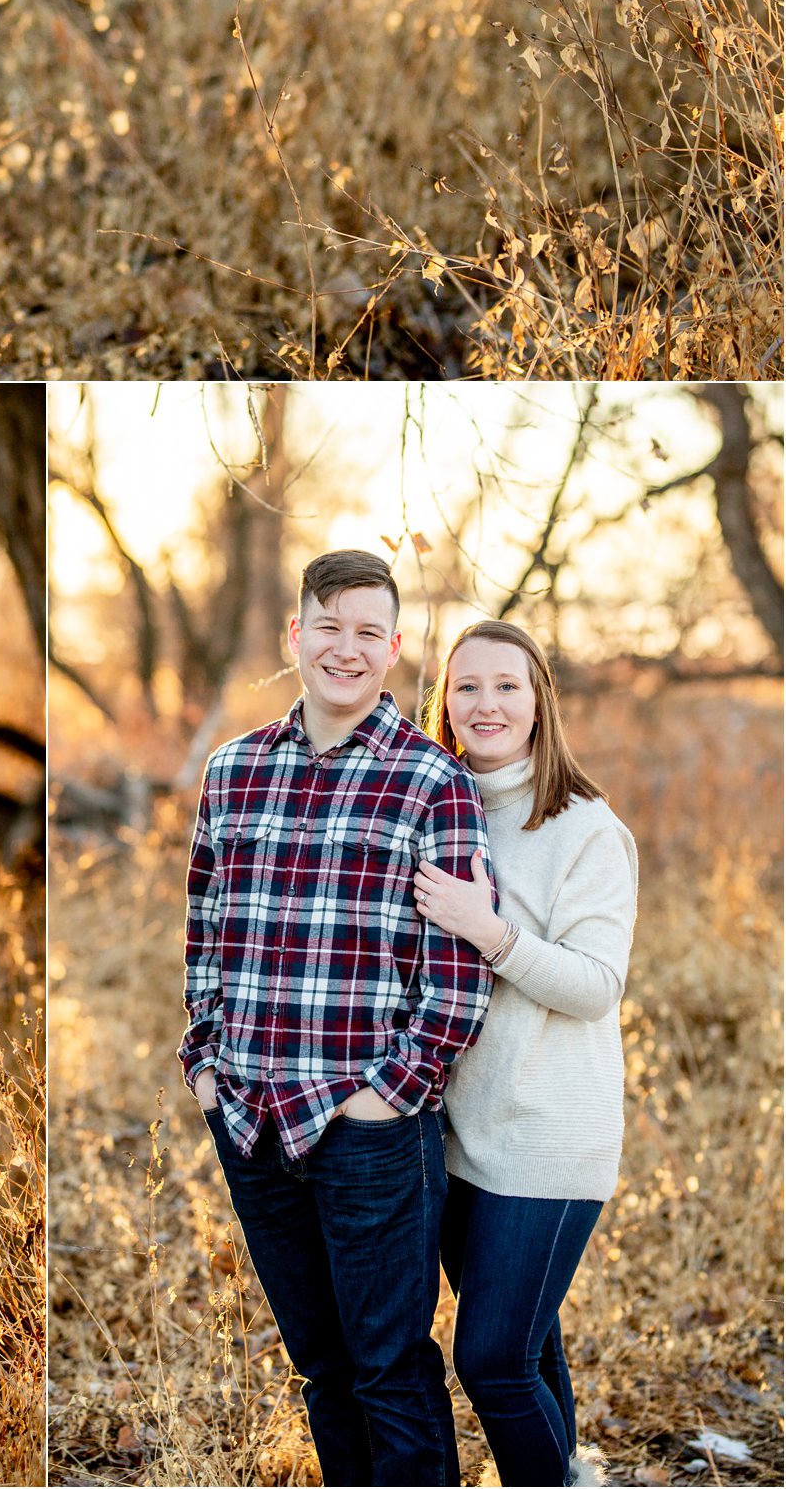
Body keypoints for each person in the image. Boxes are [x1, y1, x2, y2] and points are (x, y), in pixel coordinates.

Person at [179, 549, 495, 1487]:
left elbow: (459, 969)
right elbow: (204, 932)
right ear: (295, 635)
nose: (345, 648)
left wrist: (386, 1096)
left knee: (389, 1370)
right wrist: (206, 1064)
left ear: (393, 648)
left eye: (367, 632)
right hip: (249, 1119)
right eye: (328, 626)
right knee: (320, 1368)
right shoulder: (233, 771)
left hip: (368, 1130)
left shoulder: (431, 781)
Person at [415, 618, 637, 1489]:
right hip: (461, 1135)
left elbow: (593, 984)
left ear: (539, 697)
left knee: (492, 1359)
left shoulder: (585, 827)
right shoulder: (438, 805)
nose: (486, 703)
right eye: (466, 686)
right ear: (445, 701)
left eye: (506, 684)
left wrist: (491, 931)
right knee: (529, 1344)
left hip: (547, 1140)